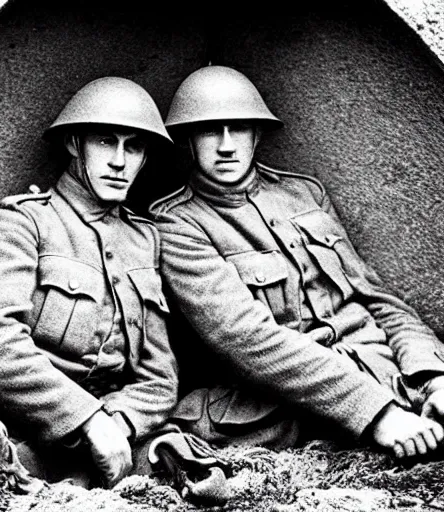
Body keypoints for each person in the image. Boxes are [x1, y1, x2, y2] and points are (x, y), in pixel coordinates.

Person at [150, 65, 444, 460]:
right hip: (292, 407)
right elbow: (247, 340)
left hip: (389, 376)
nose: (225, 145)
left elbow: (378, 300)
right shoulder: (176, 223)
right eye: (208, 130)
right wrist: (377, 413)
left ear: (256, 133)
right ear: (187, 139)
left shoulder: (304, 194)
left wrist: (432, 375)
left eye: (238, 128)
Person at [0, 77, 179, 488]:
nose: (119, 161)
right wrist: (86, 419)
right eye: (106, 142)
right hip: (18, 425)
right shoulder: (22, 222)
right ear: (75, 144)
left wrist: (119, 423)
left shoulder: (145, 239)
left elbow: (159, 376)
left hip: (116, 440)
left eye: (134, 147)